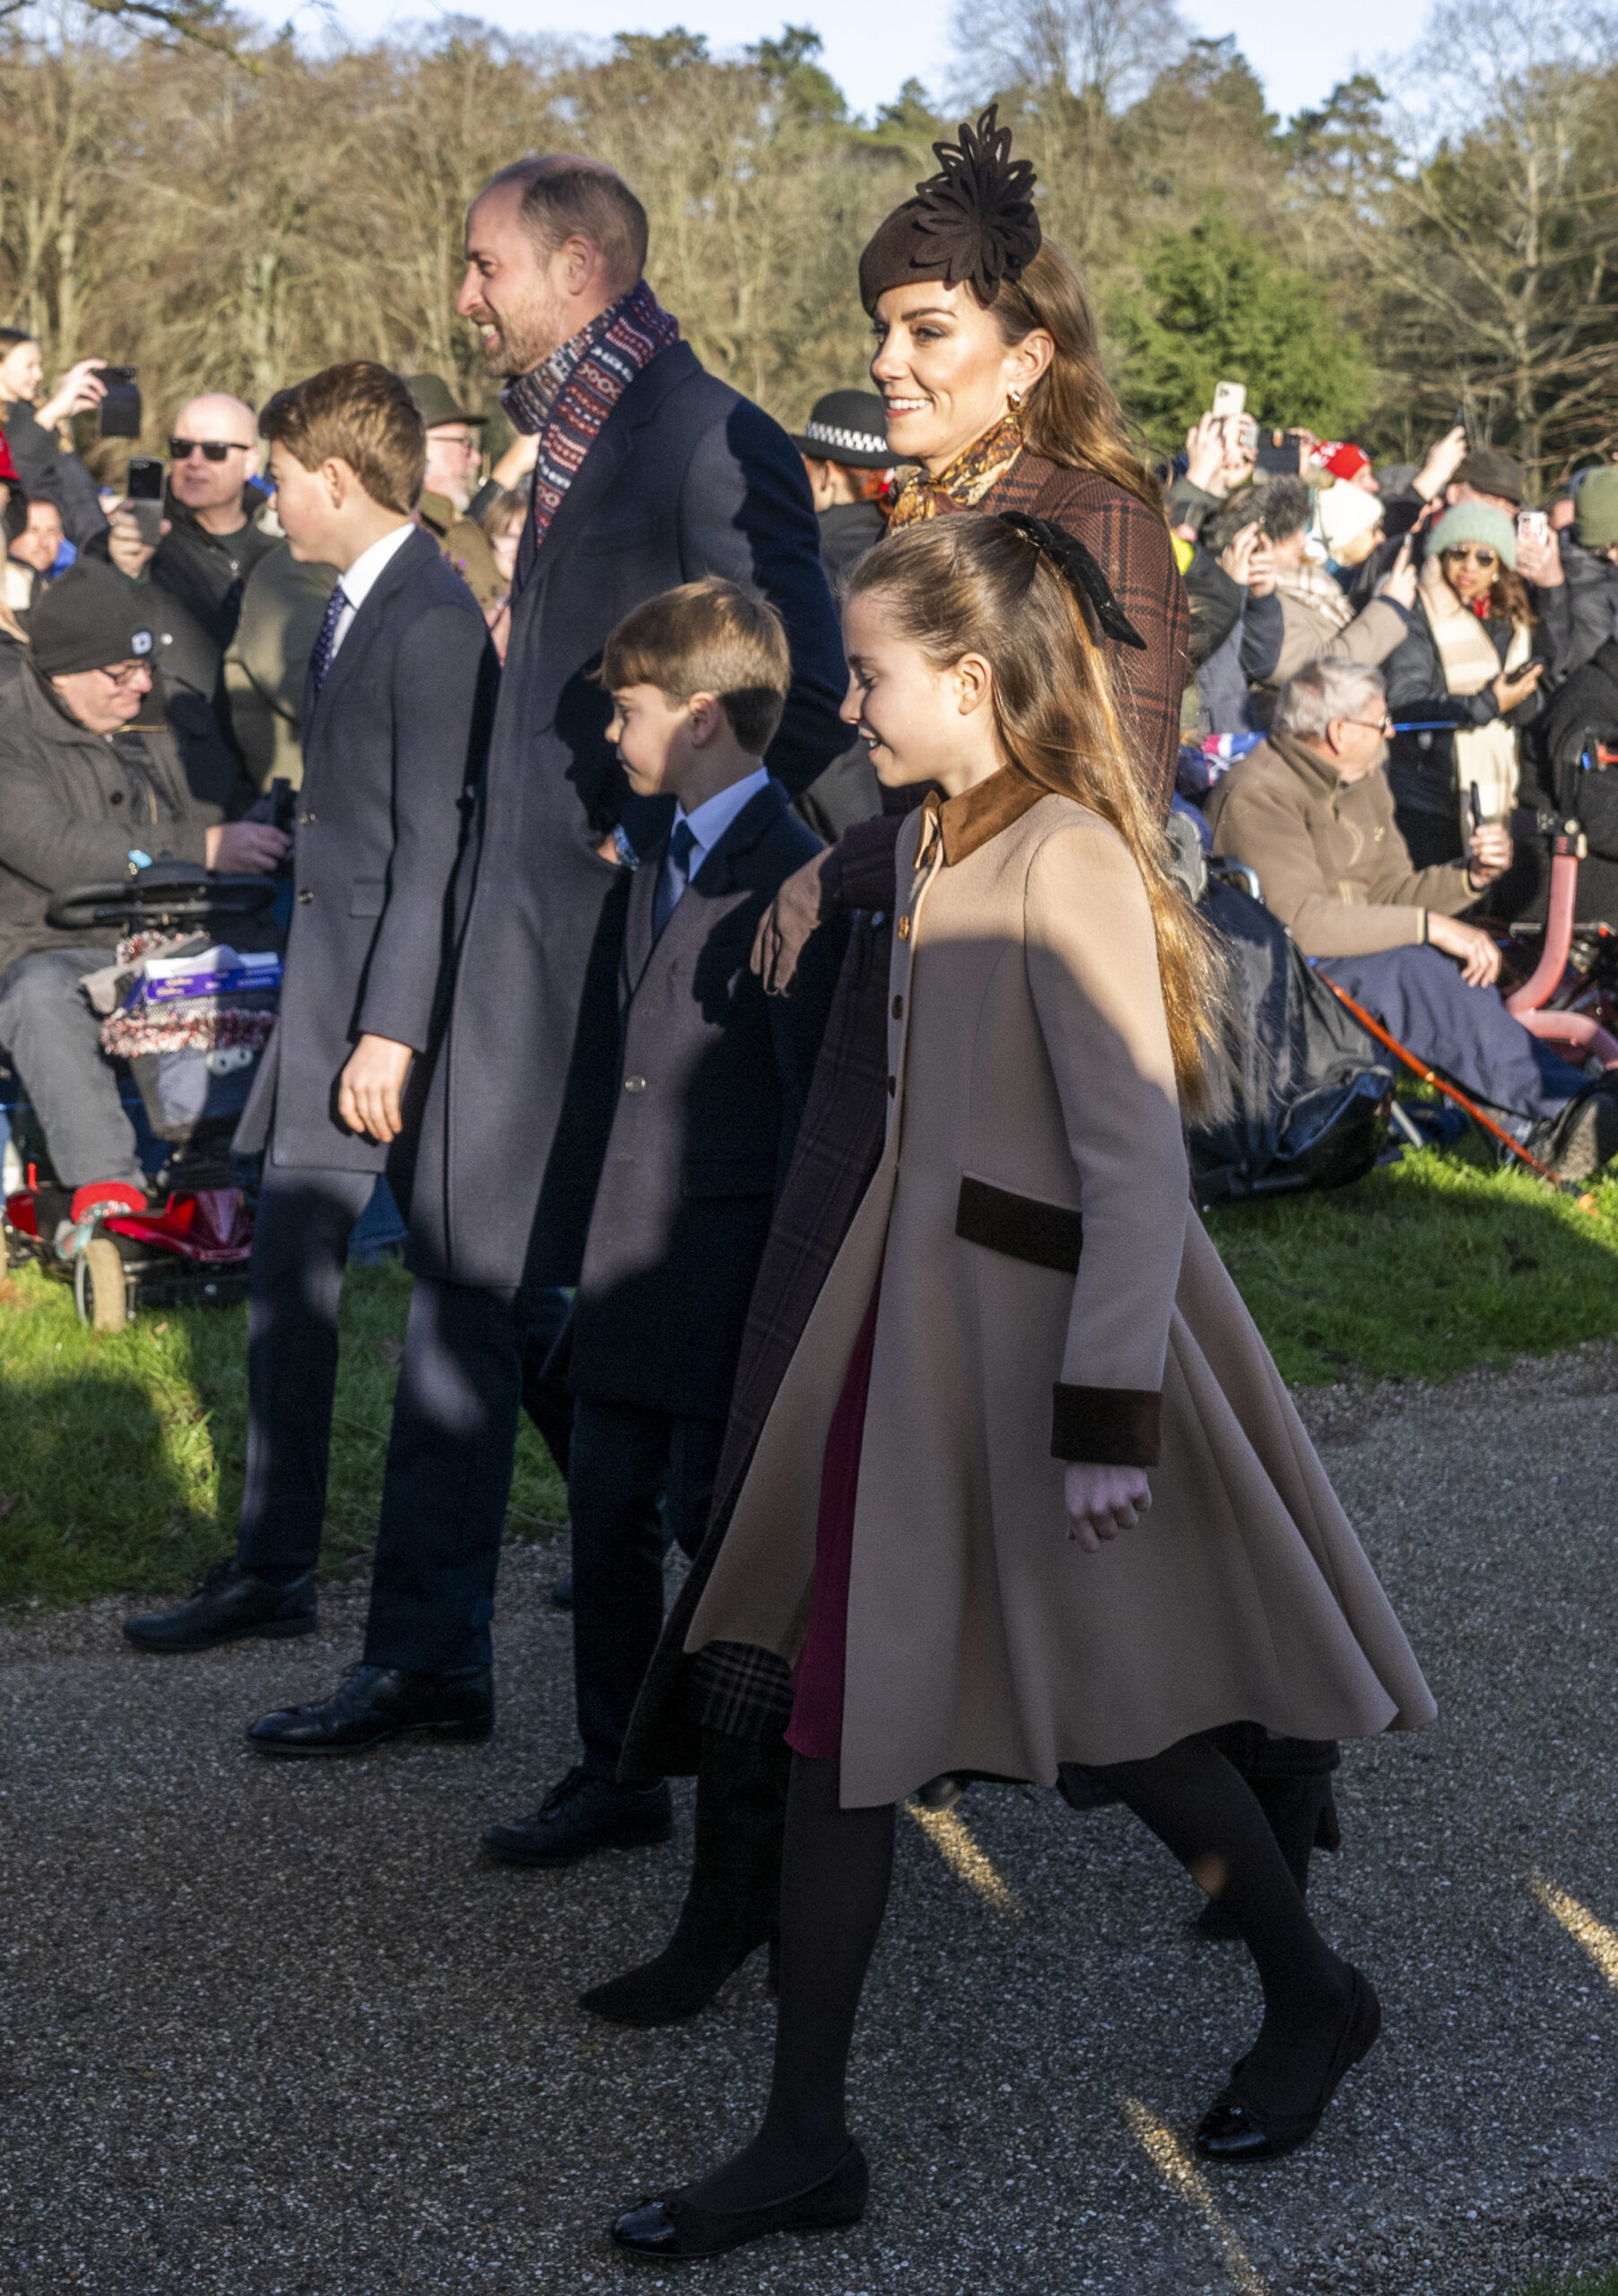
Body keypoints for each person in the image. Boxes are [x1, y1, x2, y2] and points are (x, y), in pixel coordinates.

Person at [609, 516, 1435, 2261]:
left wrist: (1101, 1419)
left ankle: (1310, 1987)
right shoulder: (928, 834)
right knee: (842, 1720)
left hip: (1043, 1349)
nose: (849, 706)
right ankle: (804, 2135)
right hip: (901, 1344)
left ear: (972, 681)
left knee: (1125, 1722)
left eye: (871, 677)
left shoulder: (1064, 858)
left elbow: (1131, 1168)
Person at [580, 103, 1210, 2032]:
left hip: (994, 1097)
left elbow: (1084, 797)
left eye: (927, 329)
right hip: (867, 1064)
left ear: (1027, 351)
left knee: (1056, 1550)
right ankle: (741, 1906)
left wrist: (835, 863)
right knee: (784, 1492)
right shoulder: (920, 512)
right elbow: (886, 745)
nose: (888, 361)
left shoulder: (1091, 524)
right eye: (881, 329)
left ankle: (1265, 1840)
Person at [244, 152, 847, 1763]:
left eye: (483, 265)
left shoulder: (706, 433)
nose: (463, 296)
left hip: (613, 958)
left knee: (536, 1306)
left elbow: (800, 682)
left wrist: (655, 846)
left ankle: (683, 1690)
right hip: (509, 944)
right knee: (468, 1281)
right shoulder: (572, 437)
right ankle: (442, 1659)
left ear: (579, 267)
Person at [123, 363, 498, 1662]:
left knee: (490, 1309)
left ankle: (661, 1510)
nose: (272, 498)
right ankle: (272, 1566)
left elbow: (434, 844)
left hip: (378, 1013)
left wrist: (390, 1029)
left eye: (280, 476)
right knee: (289, 1281)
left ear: (335, 479)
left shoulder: (430, 616)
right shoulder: (365, 603)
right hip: (328, 991)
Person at [483, 578, 841, 1862]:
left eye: (627, 709)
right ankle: (617, 1767)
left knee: (721, 1534)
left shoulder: (793, 872)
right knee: (605, 1513)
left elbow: (808, 1103)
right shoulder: (653, 848)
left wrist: (792, 1284)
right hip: (629, 1255)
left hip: (725, 1259)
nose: (610, 733)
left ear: (700, 717)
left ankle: (788, 1785)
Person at [1208, 657, 1618, 1180]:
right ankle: (1563, 1106)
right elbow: (1301, 924)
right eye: (1380, 721)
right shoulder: (1259, 791)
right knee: (1414, 965)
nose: (1390, 732)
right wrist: (1430, 926)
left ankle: (1537, 1129)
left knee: (1443, 960)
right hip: (1286, 976)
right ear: (1338, 731)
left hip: (1353, 953)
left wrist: (1470, 876)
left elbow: (1392, 892)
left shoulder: (1363, 780)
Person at [0, 561, 276, 1220]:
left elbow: (222, 805)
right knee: (39, 998)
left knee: (264, 962)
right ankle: (109, 1190)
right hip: (55, 941)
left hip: (181, 931)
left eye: (144, 667)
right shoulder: (10, 735)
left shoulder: (171, 715)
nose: (144, 684)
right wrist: (197, 848)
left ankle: (234, 1171)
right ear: (62, 674)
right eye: (121, 673)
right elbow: (57, 850)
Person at [1384, 502, 1547, 865]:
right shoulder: (1418, 609)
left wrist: (1520, 699)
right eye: (1458, 552)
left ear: (1500, 565)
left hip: (1500, 789)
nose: (1469, 566)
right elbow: (1405, 702)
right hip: (1430, 794)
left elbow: (1528, 710)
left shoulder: (1513, 618)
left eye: (1484, 557)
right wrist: (1489, 703)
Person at [787, 387, 892, 839]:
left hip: (820, 810)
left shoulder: (805, 565)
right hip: (899, 805)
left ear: (827, 475)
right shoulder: (908, 551)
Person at [402, 373, 503, 608]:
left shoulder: (451, 526)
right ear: (422, 448)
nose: (476, 458)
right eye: (464, 444)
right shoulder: (409, 537)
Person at [0, 331, 108, 547]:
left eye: (39, 365)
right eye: (29, 366)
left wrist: (102, 502)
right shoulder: (36, 420)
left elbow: (65, 485)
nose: (39, 374)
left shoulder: (37, 413)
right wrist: (52, 412)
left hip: (89, 546)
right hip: (41, 551)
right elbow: (15, 474)